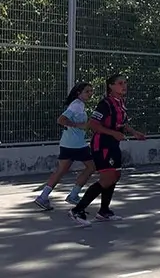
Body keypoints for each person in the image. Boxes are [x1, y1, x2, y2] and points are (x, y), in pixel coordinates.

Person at [70, 74, 146, 225]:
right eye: (119, 83)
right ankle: (77, 210)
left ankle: (104, 211)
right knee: (108, 178)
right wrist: (113, 133)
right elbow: (93, 124)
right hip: (102, 145)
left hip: (113, 145)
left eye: (125, 83)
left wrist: (134, 132)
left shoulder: (120, 102)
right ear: (110, 86)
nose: (124, 86)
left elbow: (122, 123)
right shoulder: (105, 104)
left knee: (115, 175)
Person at [33, 82, 97, 210]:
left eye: (91, 91)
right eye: (87, 91)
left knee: (60, 171)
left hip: (67, 143)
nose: (90, 94)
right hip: (77, 145)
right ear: (79, 93)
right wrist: (79, 126)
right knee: (91, 167)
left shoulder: (78, 105)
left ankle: (43, 197)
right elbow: (61, 120)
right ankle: (73, 195)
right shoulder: (77, 105)